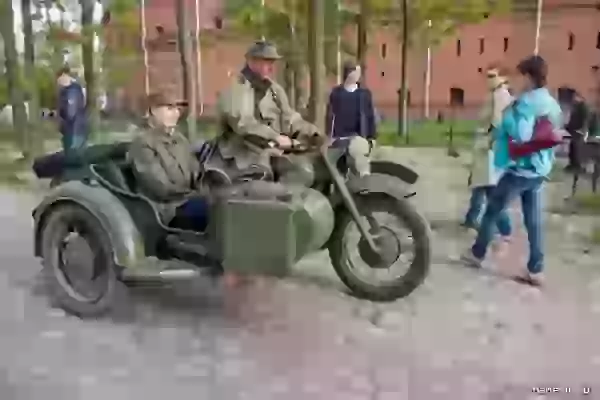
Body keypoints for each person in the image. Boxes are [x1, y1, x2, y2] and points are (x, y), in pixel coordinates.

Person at [461, 55, 563, 287]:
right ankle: (536, 269)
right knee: (534, 221)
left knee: (491, 212)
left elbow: (521, 135)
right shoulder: (551, 103)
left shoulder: (525, 103)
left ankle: (476, 254)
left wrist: (509, 117)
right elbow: (555, 134)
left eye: (522, 76)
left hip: (519, 169)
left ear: (529, 76)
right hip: (539, 170)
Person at [215, 41, 323, 178]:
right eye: (266, 62)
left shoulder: (274, 90)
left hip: (273, 153)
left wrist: (311, 132)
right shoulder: (236, 88)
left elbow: (289, 118)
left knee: (311, 172)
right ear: (251, 62)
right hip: (240, 158)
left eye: (272, 63)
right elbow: (243, 124)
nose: (271, 68)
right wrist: (276, 137)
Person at [128, 91, 208, 232]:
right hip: (167, 210)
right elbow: (160, 187)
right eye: (170, 108)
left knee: (231, 205)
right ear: (152, 111)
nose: (176, 113)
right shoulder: (143, 143)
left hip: (188, 201)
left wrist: (206, 189)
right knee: (220, 213)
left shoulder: (179, 139)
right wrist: (194, 195)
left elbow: (197, 172)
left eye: (178, 109)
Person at [462, 66, 513, 248]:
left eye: (493, 75)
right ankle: (472, 218)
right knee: (480, 185)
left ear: (503, 77)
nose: (488, 79)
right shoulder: (494, 94)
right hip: (485, 146)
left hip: (489, 148)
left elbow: (498, 123)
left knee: (490, 188)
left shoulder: (500, 96)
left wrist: (490, 143)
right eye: (488, 75)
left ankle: (505, 227)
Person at [325, 61, 377, 177]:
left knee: (358, 157)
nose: (359, 74)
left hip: (358, 136)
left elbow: (370, 116)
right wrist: (329, 136)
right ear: (348, 73)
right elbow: (330, 116)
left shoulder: (364, 94)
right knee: (335, 168)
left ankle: (364, 183)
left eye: (359, 72)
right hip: (339, 137)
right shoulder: (336, 93)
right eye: (356, 71)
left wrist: (372, 137)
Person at [57, 66, 88, 163]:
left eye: (58, 79)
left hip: (73, 130)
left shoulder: (71, 91)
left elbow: (70, 112)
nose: (58, 82)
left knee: (73, 159)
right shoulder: (73, 90)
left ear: (64, 76)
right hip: (76, 129)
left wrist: (62, 124)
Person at [564, 90, 591, 173]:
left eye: (575, 97)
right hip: (574, 131)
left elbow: (585, 119)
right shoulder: (576, 107)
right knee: (572, 148)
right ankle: (572, 165)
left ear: (579, 97)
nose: (573, 99)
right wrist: (568, 127)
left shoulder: (583, 107)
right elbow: (572, 119)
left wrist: (582, 129)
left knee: (578, 149)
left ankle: (579, 166)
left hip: (580, 132)